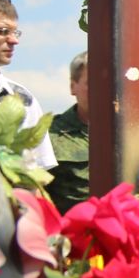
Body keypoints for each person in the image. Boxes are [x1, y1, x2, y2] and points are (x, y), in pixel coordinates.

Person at [0, 0, 57, 170]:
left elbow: (35, 174)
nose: (14, 40)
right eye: (2, 31)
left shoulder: (23, 100)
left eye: (15, 32)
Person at [47, 52, 91, 207]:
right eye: (92, 82)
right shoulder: (49, 135)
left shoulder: (137, 133)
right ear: (73, 87)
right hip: (73, 228)